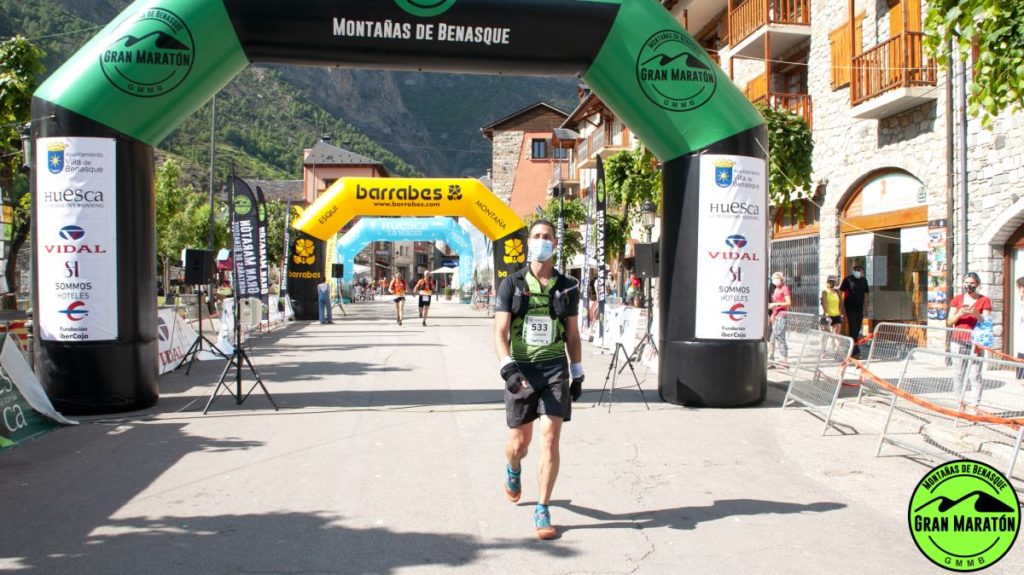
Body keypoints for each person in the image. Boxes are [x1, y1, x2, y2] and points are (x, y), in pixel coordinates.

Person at [493, 219, 583, 540]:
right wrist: (508, 369)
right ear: (529, 242)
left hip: (554, 370)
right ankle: (513, 468)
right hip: (521, 370)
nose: (541, 240)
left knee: (550, 438)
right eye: (536, 236)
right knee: (519, 445)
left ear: (555, 243)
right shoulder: (512, 284)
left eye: (547, 237)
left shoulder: (568, 286)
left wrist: (577, 372)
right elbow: (500, 332)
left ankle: (543, 507)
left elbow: (573, 334)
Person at [947, 272, 992, 354]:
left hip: (975, 341)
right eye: (966, 282)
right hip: (957, 339)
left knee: (973, 362)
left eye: (972, 283)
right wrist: (959, 314)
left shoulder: (985, 300)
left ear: (977, 284)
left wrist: (975, 313)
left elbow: (986, 322)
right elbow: (949, 322)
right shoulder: (957, 299)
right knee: (957, 362)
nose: (969, 285)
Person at [839, 264, 870, 358]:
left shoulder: (864, 280)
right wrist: (841, 307)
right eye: (856, 270)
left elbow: (865, 295)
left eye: (859, 270)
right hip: (850, 307)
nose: (858, 271)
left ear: (862, 271)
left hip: (859, 308)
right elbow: (841, 293)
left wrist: (866, 308)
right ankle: (854, 351)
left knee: (857, 328)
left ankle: (850, 347)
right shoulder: (848, 279)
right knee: (853, 328)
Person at [768, 271, 791, 367]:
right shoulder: (775, 289)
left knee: (780, 336)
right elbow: (775, 304)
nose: (775, 280)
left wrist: (776, 304)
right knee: (774, 337)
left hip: (782, 315)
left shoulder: (785, 289)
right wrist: (773, 314)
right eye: (774, 278)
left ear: (782, 279)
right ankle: (772, 359)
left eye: (777, 278)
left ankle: (784, 359)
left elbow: (788, 303)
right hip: (776, 315)